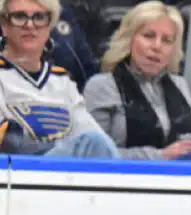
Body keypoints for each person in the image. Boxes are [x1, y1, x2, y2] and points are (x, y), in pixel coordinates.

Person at [83, 1, 191, 162]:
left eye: (166, 40)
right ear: (129, 40)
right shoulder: (101, 86)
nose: (157, 46)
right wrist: (160, 155)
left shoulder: (179, 85)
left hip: (180, 175)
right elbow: (93, 153)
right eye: (149, 36)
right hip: (131, 177)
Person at [0, 0, 117, 158]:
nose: (29, 25)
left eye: (39, 17)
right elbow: (11, 143)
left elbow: (96, 139)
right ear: (4, 26)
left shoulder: (61, 80)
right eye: (19, 17)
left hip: (64, 175)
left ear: (50, 26)